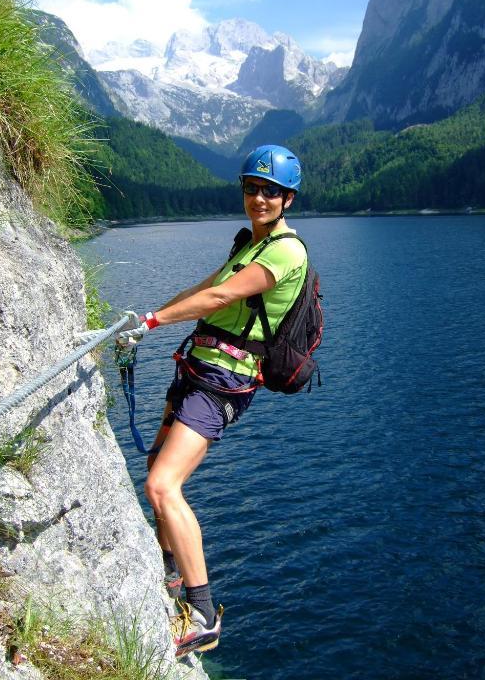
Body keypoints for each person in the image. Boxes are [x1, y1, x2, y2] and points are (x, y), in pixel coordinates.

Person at [116, 144, 307, 658]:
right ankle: (168, 572)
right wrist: (151, 315)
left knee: (162, 484)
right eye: (251, 188)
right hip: (197, 368)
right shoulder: (249, 244)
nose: (259, 198)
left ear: (287, 199)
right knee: (157, 466)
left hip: (222, 381)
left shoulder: (287, 251)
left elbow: (223, 298)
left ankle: (202, 614)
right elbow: (210, 285)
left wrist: (155, 323)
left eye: (270, 191)